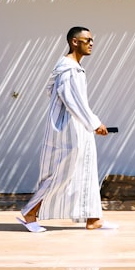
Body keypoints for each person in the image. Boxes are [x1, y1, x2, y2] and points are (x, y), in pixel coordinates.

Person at [18, 26, 117, 232]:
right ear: (74, 42)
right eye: (87, 40)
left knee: (87, 171)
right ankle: (30, 212)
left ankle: (93, 218)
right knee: (61, 174)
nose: (91, 43)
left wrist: (91, 124)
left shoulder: (73, 69)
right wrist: (95, 123)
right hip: (70, 133)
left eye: (92, 40)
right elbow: (74, 101)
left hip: (79, 129)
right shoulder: (69, 70)